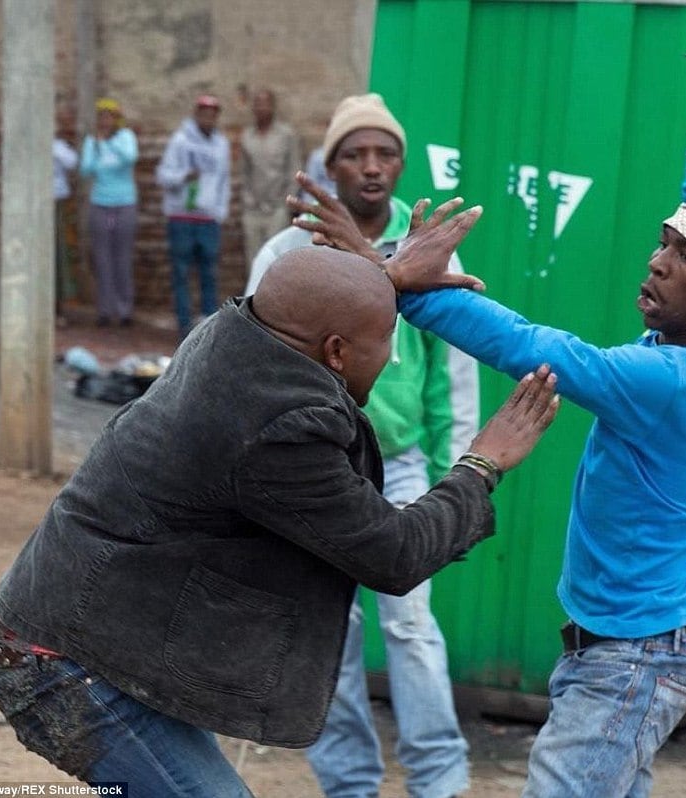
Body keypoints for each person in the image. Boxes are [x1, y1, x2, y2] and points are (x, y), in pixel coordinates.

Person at [290, 66, 686, 798]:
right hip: (628, 654)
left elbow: (539, 348)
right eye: (666, 242)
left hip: (628, 665)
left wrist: (402, 284)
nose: (659, 260)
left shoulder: (670, 382)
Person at [0, 236, 558, 796]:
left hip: (86, 635)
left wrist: (381, 280)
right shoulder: (280, 427)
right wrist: (483, 463)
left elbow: (304, 302)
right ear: (336, 351)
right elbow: (395, 552)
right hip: (70, 667)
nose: (391, 354)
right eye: (387, 339)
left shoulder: (237, 332)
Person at [247, 92, 479, 798]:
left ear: (401, 164)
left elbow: (454, 369)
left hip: (403, 464)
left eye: (385, 154)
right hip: (320, 469)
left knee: (410, 625)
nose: (372, 168)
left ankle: (439, 779)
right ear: (331, 165)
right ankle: (348, 783)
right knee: (331, 632)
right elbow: (251, 364)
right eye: (355, 154)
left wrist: (455, 475)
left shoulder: (427, 247)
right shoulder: (289, 253)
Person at [156, 94, 232, 337]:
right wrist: (183, 177)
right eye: (204, 114)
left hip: (208, 219)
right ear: (196, 114)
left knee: (209, 273)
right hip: (181, 217)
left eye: (213, 115)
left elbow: (224, 180)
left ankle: (209, 326)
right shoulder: (180, 141)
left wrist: (220, 212)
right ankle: (184, 325)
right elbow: (163, 176)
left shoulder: (221, 145)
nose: (208, 119)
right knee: (181, 273)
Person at [79, 97, 139, 327]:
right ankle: (104, 310)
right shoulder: (92, 141)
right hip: (100, 202)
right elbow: (86, 169)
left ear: (116, 119)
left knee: (122, 258)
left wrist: (108, 143)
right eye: (101, 117)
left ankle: (125, 310)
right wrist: (97, 146)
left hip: (124, 201)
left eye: (109, 116)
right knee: (102, 259)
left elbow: (129, 158)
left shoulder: (125, 137)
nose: (105, 121)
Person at [239, 88, 300, 269]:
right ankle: (253, 298)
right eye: (257, 104)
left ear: (273, 107)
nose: (261, 108)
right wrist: (248, 201)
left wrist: (286, 201)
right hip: (252, 210)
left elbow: (294, 170)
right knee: (254, 261)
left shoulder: (286, 135)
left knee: (276, 260)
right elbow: (244, 173)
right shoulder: (247, 137)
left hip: (277, 209)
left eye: (266, 103)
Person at [52, 136, 78, 327]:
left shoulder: (58, 146)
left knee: (59, 256)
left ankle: (58, 307)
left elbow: (72, 162)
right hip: (30, 206)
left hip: (57, 204)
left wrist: (49, 145)